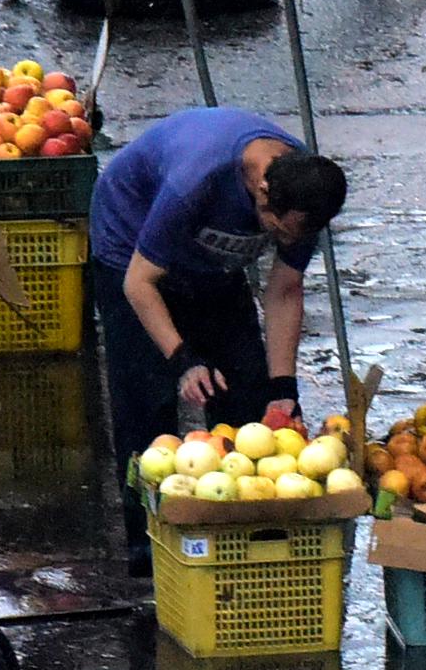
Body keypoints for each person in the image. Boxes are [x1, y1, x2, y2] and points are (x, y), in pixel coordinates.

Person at [89, 106, 349, 571]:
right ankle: (147, 548)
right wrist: (182, 358)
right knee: (148, 409)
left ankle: (239, 533)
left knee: (247, 405)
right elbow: (138, 284)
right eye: (277, 230)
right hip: (130, 251)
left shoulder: (306, 195)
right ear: (262, 190)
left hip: (212, 265)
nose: (284, 240)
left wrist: (283, 388)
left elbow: (285, 289)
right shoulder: (196, 182)